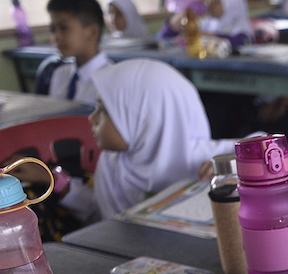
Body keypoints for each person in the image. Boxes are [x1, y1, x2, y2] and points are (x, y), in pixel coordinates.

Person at [63, 59, 235, 221]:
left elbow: (260, 146)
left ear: (144, 118)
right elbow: (103, 219)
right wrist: (59, 184)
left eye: (103, 109)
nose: (92, 118)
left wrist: (238, 168)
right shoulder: (111, 165)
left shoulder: (210, 161)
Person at [46, 0, 112, 106]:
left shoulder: (111, 80)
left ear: (92, 32)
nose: (56, 36)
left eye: (63, 28)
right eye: (53, 29)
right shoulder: (60, 74)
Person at [163, 0, 254, 48]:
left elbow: (241, 42)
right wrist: (181, 15)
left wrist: (201, 36)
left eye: (214, 0)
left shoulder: (241, 25)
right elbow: (164, 38)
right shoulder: (207, 24)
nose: (208, 4)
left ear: (230, 4)